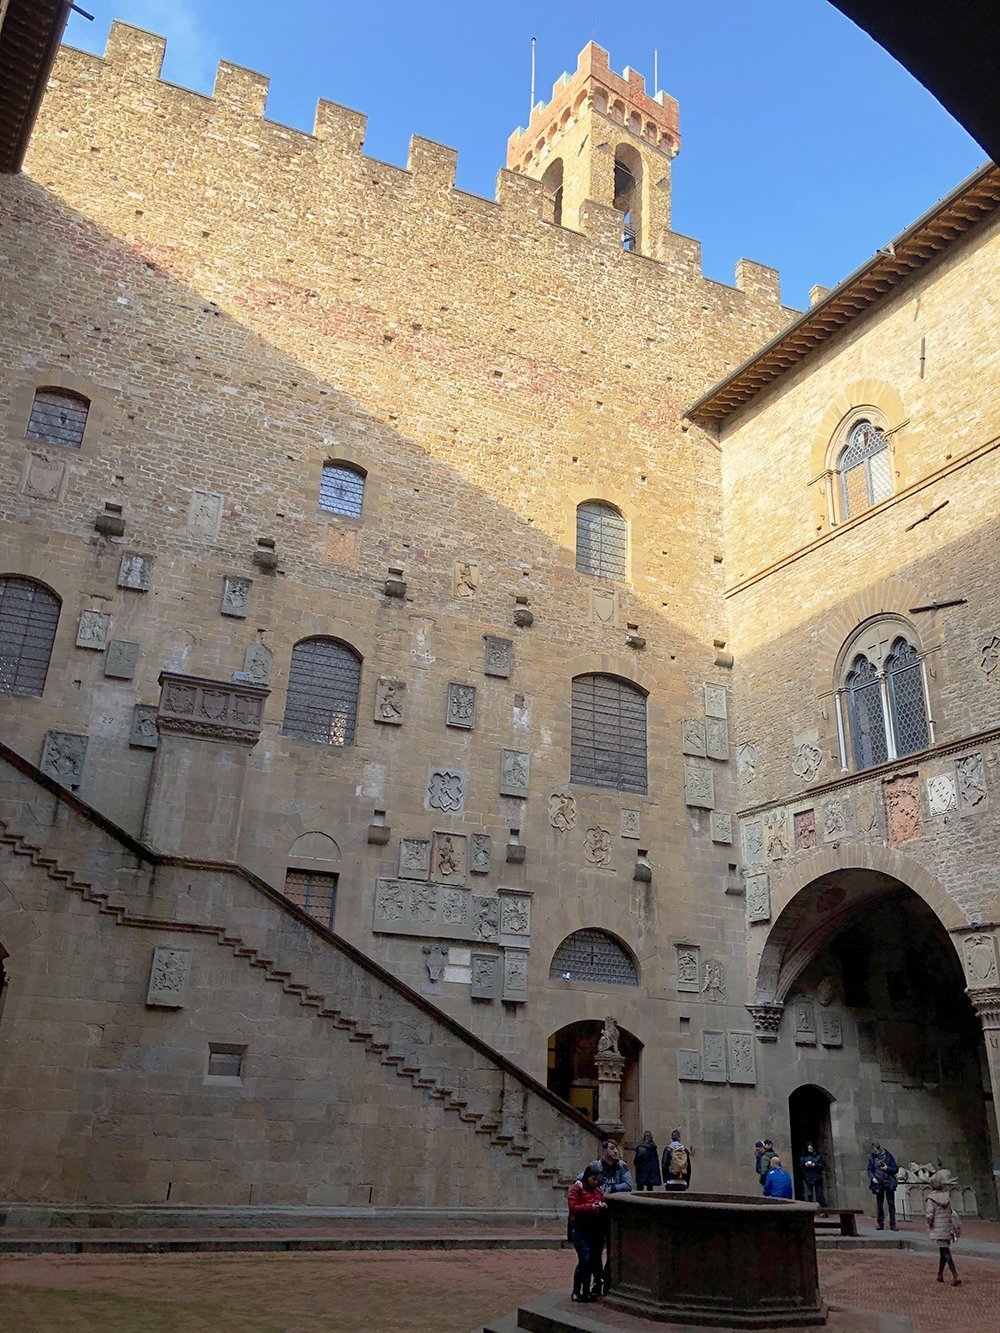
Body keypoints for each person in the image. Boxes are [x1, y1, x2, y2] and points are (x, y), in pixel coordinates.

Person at [577, 1138, 632, 1295]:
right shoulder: (596, 1166)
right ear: (605, 1151)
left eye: (617, 1148)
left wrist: (612, 1189)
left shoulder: (622, 1167)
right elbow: (581, 1178)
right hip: (597, 1216)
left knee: (613, 1250)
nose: (616, 1151)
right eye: (613, 1148)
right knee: (596, 1250)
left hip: (614, 1216)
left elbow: (628, 1185)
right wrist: (580, 1184)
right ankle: (597, 1281)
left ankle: (608, 1281)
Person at [567, 1162, 608, 1302]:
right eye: (593, 1179)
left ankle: (586, 1291)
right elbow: (574, 1207)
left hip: (593, 1231)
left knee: (591, 1261)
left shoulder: (597, 1191)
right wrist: (591, 1206)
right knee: (584, 1259)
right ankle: (576, 1291)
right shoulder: (577, 1189)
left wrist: (601, 1207)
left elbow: (600, 1202)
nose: (596, 1182)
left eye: (597, 1180)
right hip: (580, 1230)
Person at [925, 1170, 961, 1287]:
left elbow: (930, 1215)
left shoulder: (931, 1199)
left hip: (937, 1227)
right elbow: (951, 1212)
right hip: (947, 1226)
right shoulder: (947, 1197)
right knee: (943, 1251)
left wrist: (929, 1225)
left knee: (945, 1252)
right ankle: (940, 1274)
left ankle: (955, 1275)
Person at [867, 1141, 899, 1231]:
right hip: (878, 1183)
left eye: (876, 1151)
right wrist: (872, 1178)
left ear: (879, 1149)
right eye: (874, 1152)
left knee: (891, 1204)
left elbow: (896, 1169)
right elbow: (869, 1169)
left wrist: (887, 1168)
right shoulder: (871, 1158)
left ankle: (893, 1223)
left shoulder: (888, 1156)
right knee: (879, 1204)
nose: (875, 1153)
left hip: (888, 1182)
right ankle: (880, 1223)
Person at [799, 1142, 827, 1207]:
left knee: (819, 1195)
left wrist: (815, 1165)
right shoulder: (803, 1157)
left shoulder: (818, 1156)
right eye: (809, 1148)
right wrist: (805, 1165)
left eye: (811, 1148)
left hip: (817, 1177)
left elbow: (822, 1165)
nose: (810, 1149)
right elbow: (800, 1165)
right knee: (809, 1195)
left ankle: (823, 1210)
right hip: (808, 1177)